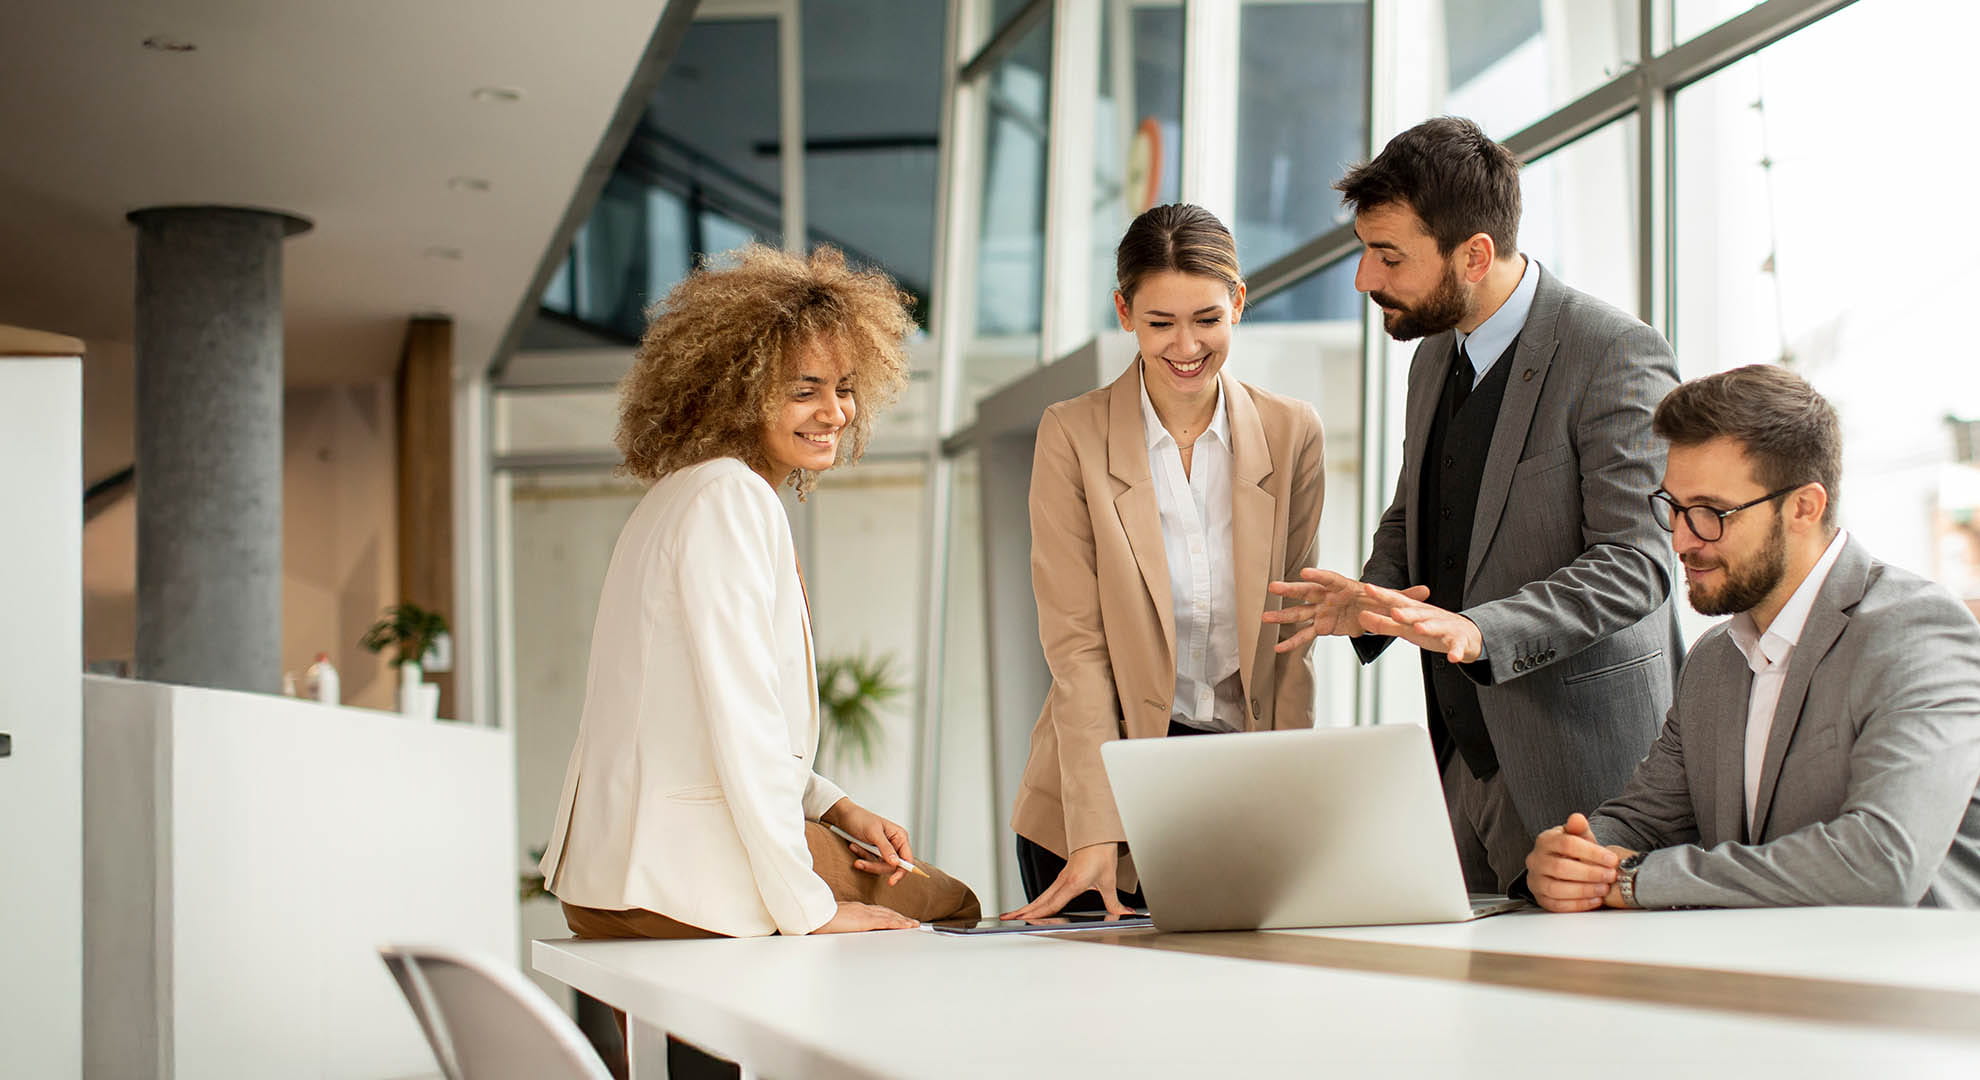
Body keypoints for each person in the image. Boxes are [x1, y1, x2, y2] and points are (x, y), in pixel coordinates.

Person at [1267, 116, 1683, 892]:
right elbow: (1417, 507)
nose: (1364, 278)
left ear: (1475, 255)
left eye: (1389, 256)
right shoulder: (1433, 355)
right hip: (1460, 761)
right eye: (1365, 250)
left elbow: (1638, 563)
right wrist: (1373, 596)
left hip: (1586, 773)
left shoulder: (1613, 352)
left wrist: (1482, 630)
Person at [538, 244, 980, 948]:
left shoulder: (678, 495)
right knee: (952, 903)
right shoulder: (730, 498)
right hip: (683, 881)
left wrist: (836, 807)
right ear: (736, 391)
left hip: (606, 882)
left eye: (844, 387)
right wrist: (810, 907)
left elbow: (698, 717)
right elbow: (742, 717)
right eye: (805, 390)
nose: (834, 412)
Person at [1526, 365, 1980, 911]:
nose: (1681, 540)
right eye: (1674, 508)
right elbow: (1642, 820)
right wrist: (1575, 859)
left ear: (1803, 507)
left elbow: (1882, 862)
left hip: (1908, 962)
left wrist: (1636, 880)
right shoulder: (1714, 659)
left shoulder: (1919, 633)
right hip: (1760, 960)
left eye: (1711, 512)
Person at [1005, 204, 1327, 919]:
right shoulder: (1072, 436)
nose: (1187, 346)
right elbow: (1078, 650)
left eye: (1207, 319)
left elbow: (1292, 638)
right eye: (1160, 323)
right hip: (1097, 801)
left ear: (1238, 302)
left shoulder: (1292, 432)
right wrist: (1097, 829)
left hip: (1236, 790)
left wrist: (1292, 808)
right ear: (1124, 312)